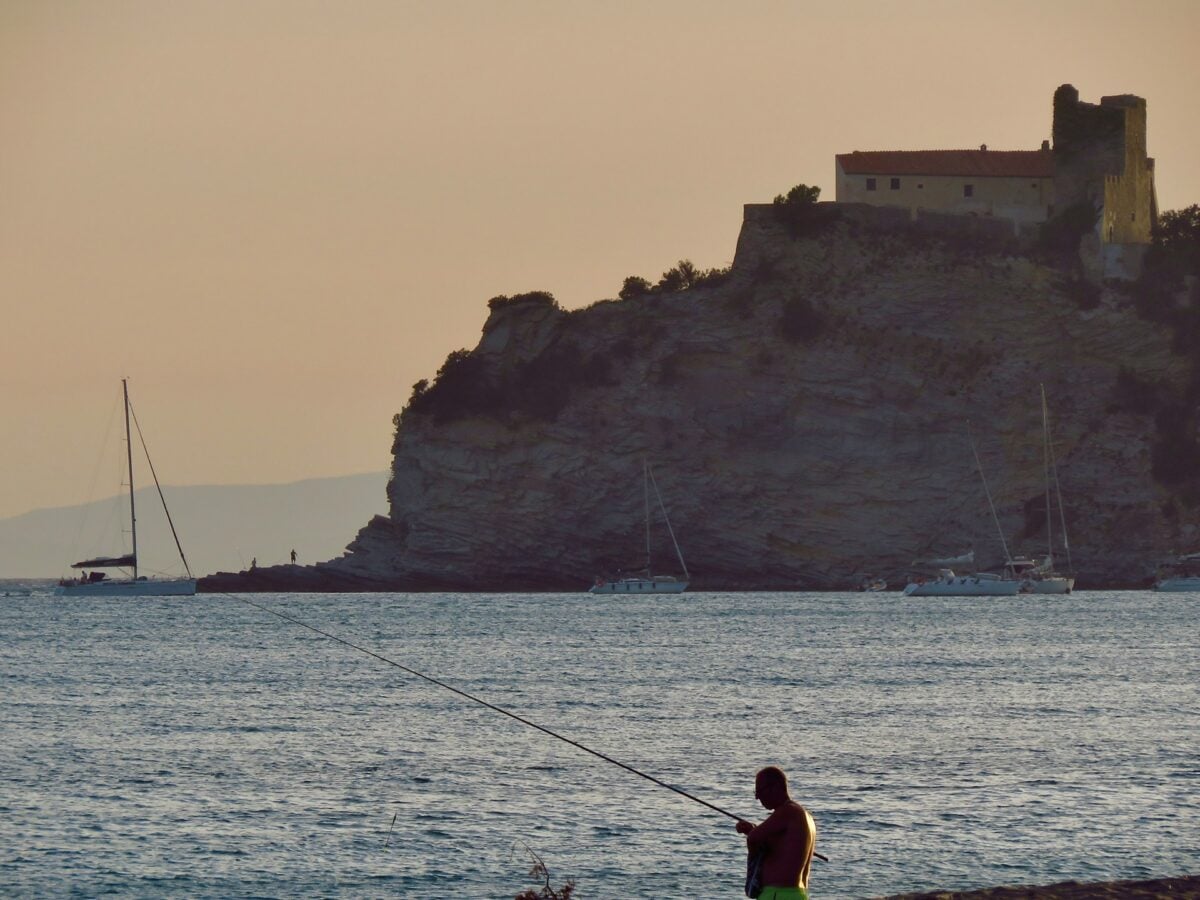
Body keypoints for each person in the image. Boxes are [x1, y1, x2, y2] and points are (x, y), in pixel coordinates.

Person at [735, 766, 816, 900]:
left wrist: (754, 837)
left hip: (778, 894)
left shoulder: (787, 811)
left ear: (776, 787)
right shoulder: (806, 817)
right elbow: (784, 849)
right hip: (798, 894)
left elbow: (753, 839)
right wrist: (754, 830)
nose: (757, 797)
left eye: (760, 791)